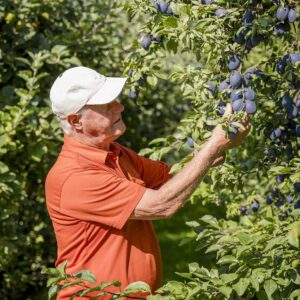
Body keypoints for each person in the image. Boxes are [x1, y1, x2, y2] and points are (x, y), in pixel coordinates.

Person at [45, 66, 250, 299]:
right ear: (76, 121)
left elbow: (172, 177)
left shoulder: (116, 153)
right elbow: (161, 205)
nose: (119, 107)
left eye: (116, 100)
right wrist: (213, 146)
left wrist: (210, 152)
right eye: (106, 105)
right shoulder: (75, 176)